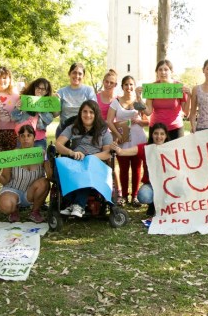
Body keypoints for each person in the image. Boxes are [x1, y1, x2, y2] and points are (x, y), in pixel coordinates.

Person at [54, 100, 113, 218]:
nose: (88, 115)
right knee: (58, 167)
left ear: (96, 114)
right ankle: (71, 203)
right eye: (85, 112)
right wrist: (71, 152)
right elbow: (58, 145)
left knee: (87, 167)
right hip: (76, 159)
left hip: (94, 161)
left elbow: (108, 153)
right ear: (80, 113)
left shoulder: (103, 130)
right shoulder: (72, 128)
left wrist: (90, 157)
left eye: (91, 112)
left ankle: (79, 205)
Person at [0, 125, 50, 223]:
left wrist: (47, 161)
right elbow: (5, 180)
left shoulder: (42, 154)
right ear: (19, 138)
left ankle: (35, 212)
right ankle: (14, 210)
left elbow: (49, 177)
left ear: (34, 138)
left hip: (31, 193)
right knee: (5, 206)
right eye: (22, 136)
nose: (26, 139)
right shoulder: (12, 155)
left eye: (29, 135)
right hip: (13, 190)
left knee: (44, 182)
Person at [110, 123, 169, 219]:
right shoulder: (146, 148)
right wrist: (116, 147)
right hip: (151, 185)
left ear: (166, 136)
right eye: (156, 133)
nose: (159, 136)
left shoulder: (172, 148)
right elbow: (122, 152)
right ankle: (153, 205)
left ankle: (166, 208)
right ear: (152, 135)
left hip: (167, 184)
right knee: (143, 196)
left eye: (162, 134)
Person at [107, 75, 149, 207]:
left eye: (131, 84)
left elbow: (148, 120)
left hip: (138, 138)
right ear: (122, 86)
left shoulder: (138, 101)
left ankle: (135, 196)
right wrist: (116, 134)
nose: (129, 87)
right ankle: (124, 195)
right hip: (123, 139)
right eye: (126, 84)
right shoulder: (116, 102)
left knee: (137, 168)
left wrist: (139, 121)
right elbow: (109, 121)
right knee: (124, 168)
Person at [0, 66, 20, 208]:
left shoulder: (16, 95)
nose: (2, 80)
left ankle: (9, 192)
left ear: (10, 79)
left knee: (10, 166)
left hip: (12, 134)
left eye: (5, 77)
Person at [141, 59, 190, 140]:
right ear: (157, 72)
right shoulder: (152, 88)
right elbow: (148, 112)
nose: (163, 72)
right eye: (160, 69)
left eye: (166, 69)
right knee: (155, 153)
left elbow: (186, 112)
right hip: (156, 129)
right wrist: (139, 100)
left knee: (175, 152)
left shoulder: (179, 87)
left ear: (171, 72)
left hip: (175, 128)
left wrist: (189, 96)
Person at [11, 77, 55, 149]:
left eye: (43, 89)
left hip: (39, 139)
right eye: (38, 88)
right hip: (22, 139)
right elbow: (14, 118)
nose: (39, 91)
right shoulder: (24, 100)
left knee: (39, 160)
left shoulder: (48, 104)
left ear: (47, 91)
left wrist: (40, 110)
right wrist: (17, 109)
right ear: (34, 88)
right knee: (22, 159)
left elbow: (48, 120)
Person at [55, 62, 97, 137]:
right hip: (64, 130)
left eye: (80, 74)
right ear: (69, 74)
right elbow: (56, 114)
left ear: (83, 76)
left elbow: (94, 111)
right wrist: (55, 102)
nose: (77, 76)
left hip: (84, 131)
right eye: (74, 72)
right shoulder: (61, 92)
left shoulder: (89, 90)